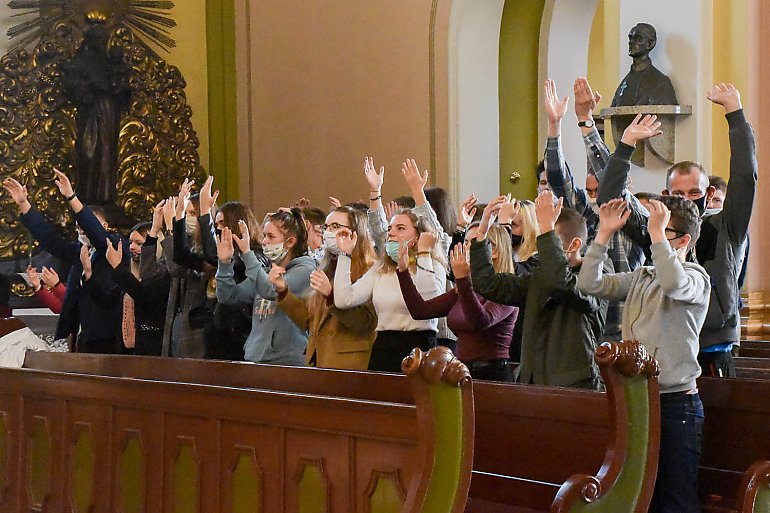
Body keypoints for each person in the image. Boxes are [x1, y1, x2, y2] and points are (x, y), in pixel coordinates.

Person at [598, 83, 756, 377]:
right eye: (678, 194)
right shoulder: (655, 227)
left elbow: (747, 177)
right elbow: (609, 199)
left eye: (694, 192)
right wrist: (626, 145)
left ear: (708, 193)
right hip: (660, 354)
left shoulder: (726, 226)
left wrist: (735, 114)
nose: (686, 200)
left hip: (711, 350)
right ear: (665, 194)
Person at [578, 197, 709, 513]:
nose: (651, 236)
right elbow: (588, 283)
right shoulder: (641, 276)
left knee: (675, 502)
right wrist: (604, 235)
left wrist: (658, 236)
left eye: (662, 229)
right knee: (641, 499)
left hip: (676, 406)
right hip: (637, 402)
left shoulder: (697, 277)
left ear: (684, 239)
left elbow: (674, 283)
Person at [542, 77, 646, 341]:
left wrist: (587, 123)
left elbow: (610, 179)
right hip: (591, 330)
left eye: (599, 190)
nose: (596, 198)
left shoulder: (635, 219)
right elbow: (557, 179)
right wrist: (554, 127)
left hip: (627, 332)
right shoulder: (589, 219)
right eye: (590, 192)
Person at [469, 191, 606, 389]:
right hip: (534, 381)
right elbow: (488, 284)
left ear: (575, 244)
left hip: (575, 384)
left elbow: (560, 284)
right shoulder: (539, 277)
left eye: (549, 239)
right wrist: (483, 234)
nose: (542, 247)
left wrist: (546, 227)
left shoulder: (596, 276)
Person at [3, 170, 125, 353]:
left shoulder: (114, 247)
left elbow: (96, 233)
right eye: (79, 228)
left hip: (108, 335)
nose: (82, 231)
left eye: (86, 227)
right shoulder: (81, 252)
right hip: (81, 333)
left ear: (105, 226)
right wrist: (24, 204)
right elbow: (51, 240)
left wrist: (71, 196)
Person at [398, 222, 518, 381]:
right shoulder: (463, 289)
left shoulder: (507, 287)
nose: (465, 248)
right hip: (461, 370)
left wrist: (462, 281)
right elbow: (420, 311)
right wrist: (403, 272)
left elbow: (481, 321)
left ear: (494, 251)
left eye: (473, 243)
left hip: (492, 373)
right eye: (465, 242)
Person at [334, 208, 446, 373]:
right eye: (390, 229)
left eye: (400, 228)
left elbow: (428, 303)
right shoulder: (380, 269)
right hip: (385, 347)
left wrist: (424, 254)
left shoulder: (434, 266)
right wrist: (345, 256)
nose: (391, 233)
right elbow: (344, 300)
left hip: (420, 347)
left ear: (418, 236)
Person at [273, 206, 377, 369]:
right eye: (326, 227)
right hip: (319, 362)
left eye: (335, 227)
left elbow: (363, 323)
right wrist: (283, 291)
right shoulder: (327, 267)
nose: (328, 232)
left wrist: (331, 295)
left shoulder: (370, 269)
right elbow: (309, 319)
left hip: (349, 365)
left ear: (355, 233)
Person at [216, 208, 315, 365]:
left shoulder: (305, 270)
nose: (264, 242)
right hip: (256, 357)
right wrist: (225, 263)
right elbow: (228, 296)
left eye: (271, 236)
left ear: (290, 242)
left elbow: (270, 290)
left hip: (287, 361)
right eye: (264, 236)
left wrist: (248, 253)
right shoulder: (265, 271)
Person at [104, 219, 170, 356]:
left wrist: (117, 267)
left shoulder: (163, 272)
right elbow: (106, 300)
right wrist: (88, 274)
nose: (132, 247)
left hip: (152, 347)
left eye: (139, 243)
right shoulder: (130, 274)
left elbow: (143, 296)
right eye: (131, 242)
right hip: (126, 349)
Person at [611, 23, 678, 107]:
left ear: (650, 44)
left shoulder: (661, 82)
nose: (631, 42)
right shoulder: (624, 83)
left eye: (637, 38)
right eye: (630, 38)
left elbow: (666, 116)